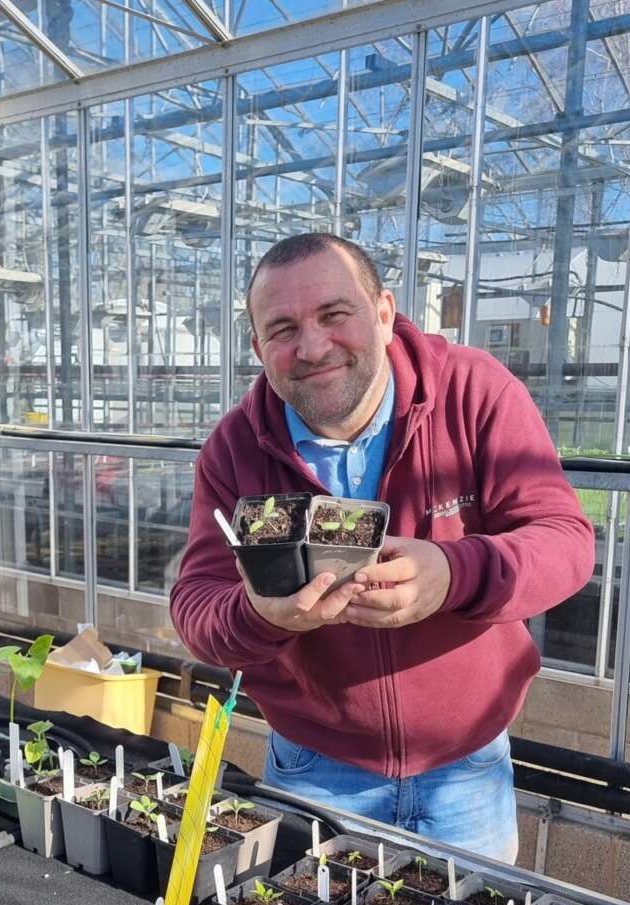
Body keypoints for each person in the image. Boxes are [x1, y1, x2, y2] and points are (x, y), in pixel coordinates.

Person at [169, 234, 595, 862]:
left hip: (466, 772)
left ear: (385, 313)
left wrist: (453, 574)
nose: (313, 347)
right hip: (314, 767)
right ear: (258, 348)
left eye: (334, 315)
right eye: (283, 329)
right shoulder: (235, 450)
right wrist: (261, 614)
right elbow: (196, 605)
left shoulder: (472, 394)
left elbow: (564, 539)